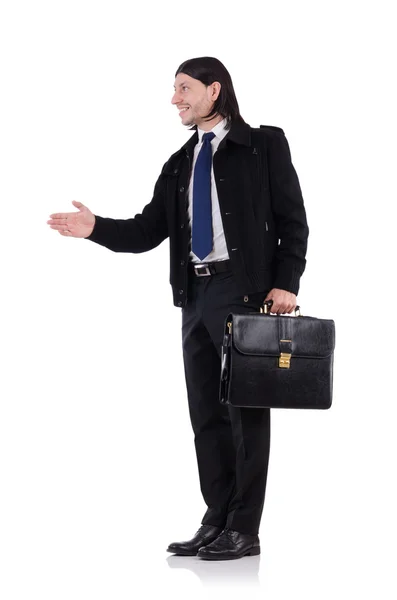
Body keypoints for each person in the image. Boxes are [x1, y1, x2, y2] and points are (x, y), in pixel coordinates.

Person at [47, 56, 309, 561]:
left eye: (183, 89)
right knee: (206, 414)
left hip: (246, 292)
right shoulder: (179, 164)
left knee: (246, 413)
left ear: (215, 90)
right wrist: (96, 227)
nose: (175, 99)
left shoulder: (264, 145)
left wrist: (286, 283)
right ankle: (217, 519)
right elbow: (147, 231)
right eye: (173, 90)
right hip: (196, 295)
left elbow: (293, 220)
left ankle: (245, 528)